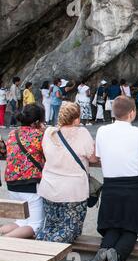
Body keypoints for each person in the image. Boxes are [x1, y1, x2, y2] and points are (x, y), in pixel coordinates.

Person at [85, 96, 138, 261]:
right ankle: (116, 256)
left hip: (111, 186)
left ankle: (103, 252)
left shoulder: (102, 131)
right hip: (133, 186)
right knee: (131, 227)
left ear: (113, 112)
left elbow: (98, 156)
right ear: (132, 113)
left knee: (113, 226)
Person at [36, 102, 98, 243]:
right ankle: (47, 249)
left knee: (50, 226)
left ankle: (40, 244)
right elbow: (93, 158)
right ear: (76, 119)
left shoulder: (49, 132)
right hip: (73, 191)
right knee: (70, 229)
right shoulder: (82, 133)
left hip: (49, 188)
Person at [0, 104, 45, 238]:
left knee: (22, 221)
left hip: (11, 183)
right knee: (35, 225)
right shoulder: (40, 135)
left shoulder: (12, 133)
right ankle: (4, 242)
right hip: (30, 184)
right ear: (37, 121)